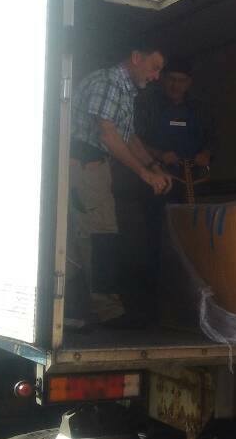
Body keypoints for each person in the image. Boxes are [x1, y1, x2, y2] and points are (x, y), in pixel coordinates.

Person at [66, 43, 172, 330]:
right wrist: (143, 173)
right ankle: (109, 313)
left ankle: (73, 309)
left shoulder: (125, 90)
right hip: (85, 166)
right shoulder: (108, 83)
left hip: (94, 168)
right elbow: (108, 134)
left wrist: (153, 165)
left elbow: (128, 136)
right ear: (136, 58)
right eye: (154, 68)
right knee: (101, 235)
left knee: (81, 240)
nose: (156, 76)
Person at [137, 55, 213, 202]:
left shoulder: (199, 109)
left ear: (189, 83)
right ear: (162, 79)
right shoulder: (148, 106)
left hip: (194, 180)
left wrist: (206, 154)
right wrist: (159, 155)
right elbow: (133, 140)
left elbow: (212, 138)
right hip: (159, 181)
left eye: (181, 81)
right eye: (171, 79)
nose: (175, 85)